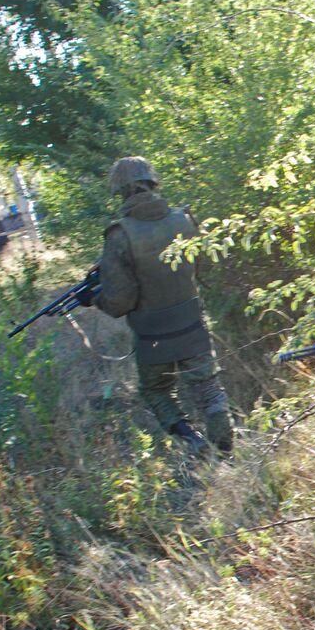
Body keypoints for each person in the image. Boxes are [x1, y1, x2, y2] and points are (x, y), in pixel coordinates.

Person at [84, 156, 233, 456]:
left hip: (153, 336)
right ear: (152, 182)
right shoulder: (185, 220)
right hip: (191, 323)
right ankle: (226, 452)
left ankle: (195, 442)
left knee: (155, 390)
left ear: (120, 191)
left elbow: (119, 302)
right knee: (207, 389)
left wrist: (93, 298)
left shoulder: (119, 234)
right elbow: (201, 267)